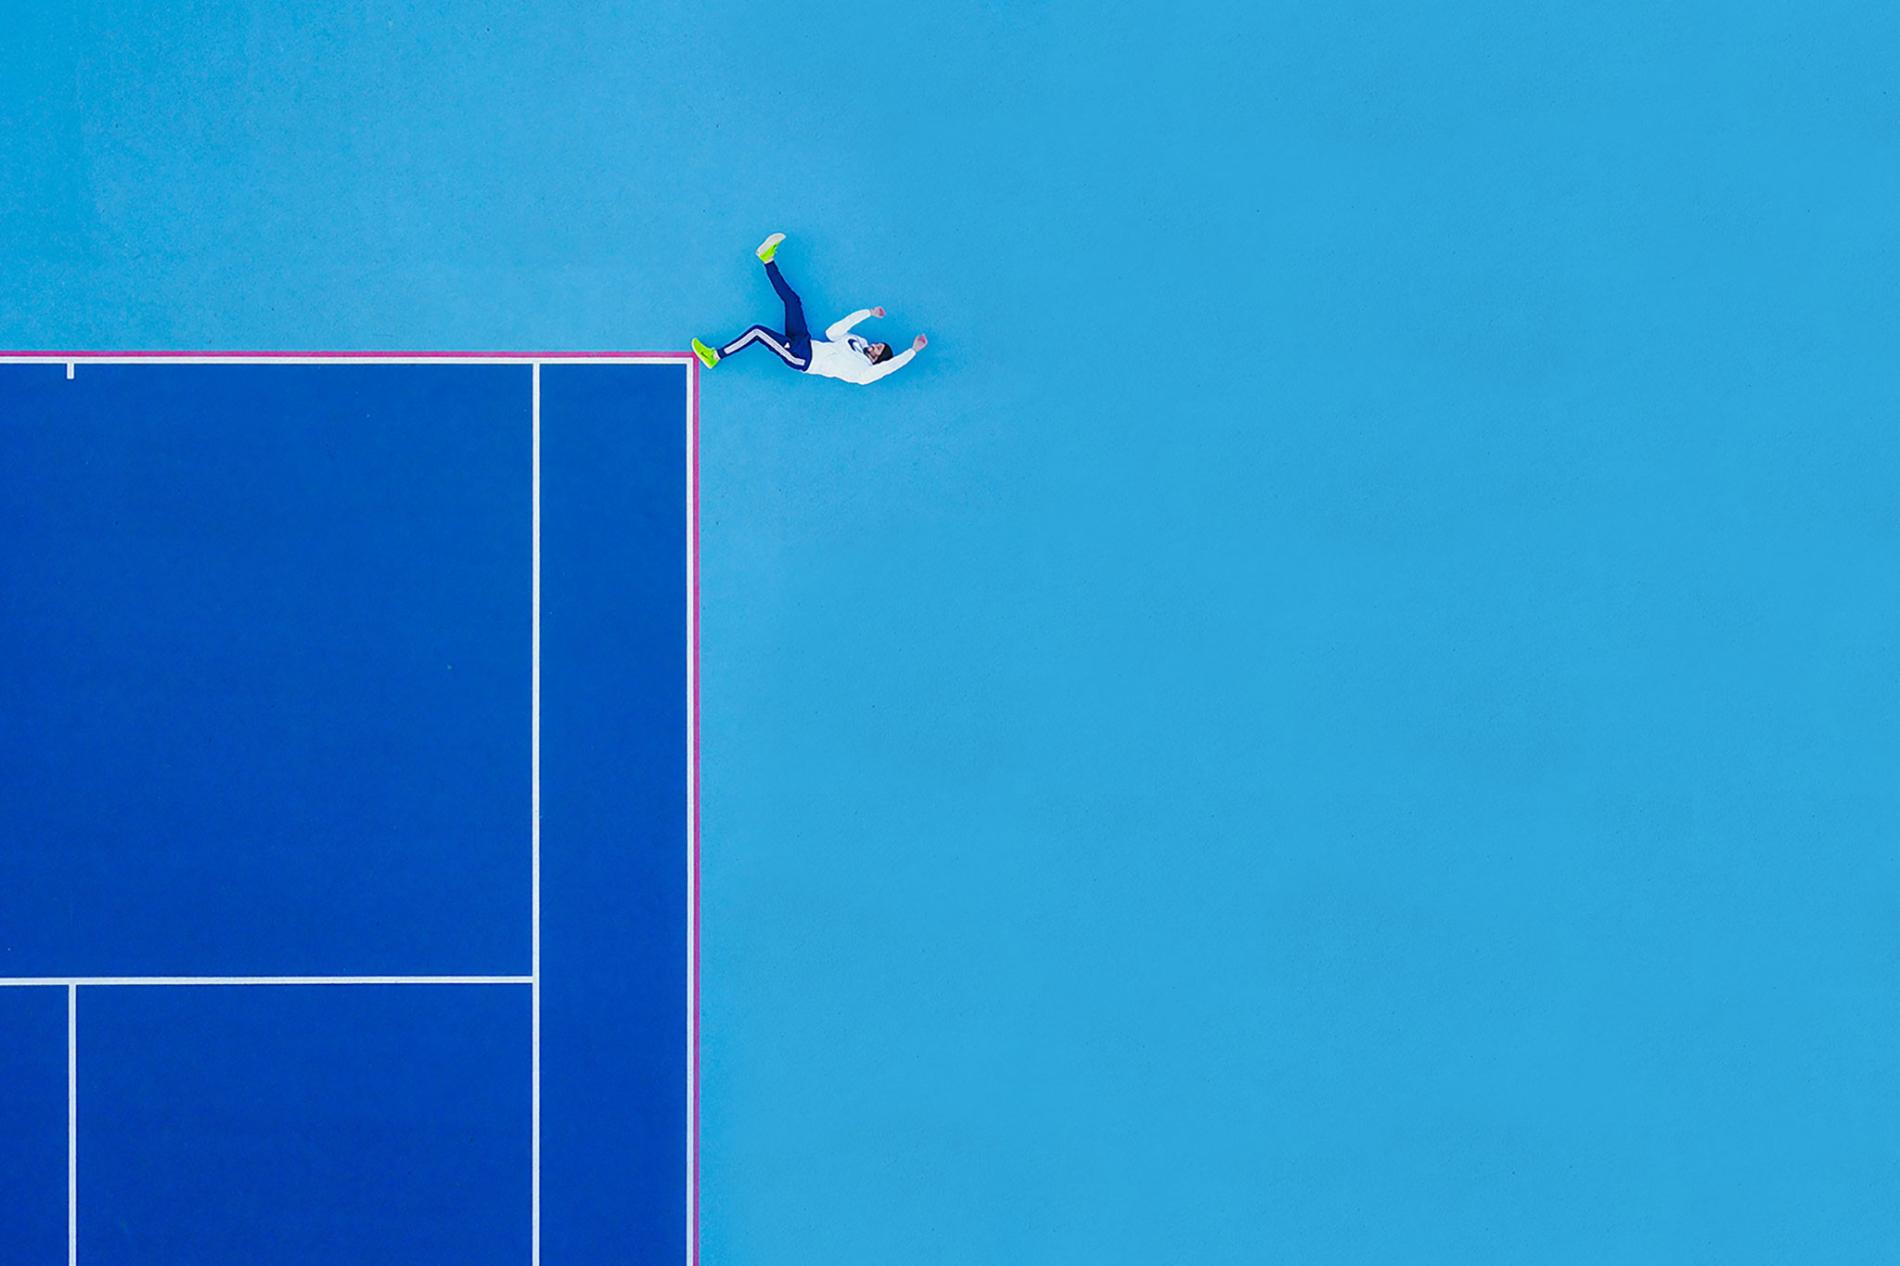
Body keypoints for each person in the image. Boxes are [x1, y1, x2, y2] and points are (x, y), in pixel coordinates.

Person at [693, 234, 926, 385]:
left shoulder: (864, 373)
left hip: (802, 358)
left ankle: (714, 356)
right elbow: (833, 332)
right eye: (878, 344)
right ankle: (767, 259)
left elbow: (889, 368)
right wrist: (868, 313)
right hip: (805, 341)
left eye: (878, 350)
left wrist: (912, 351)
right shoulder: (858, 342)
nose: (875, 346)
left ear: (877, 360)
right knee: (793, 301)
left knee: (757, 332)